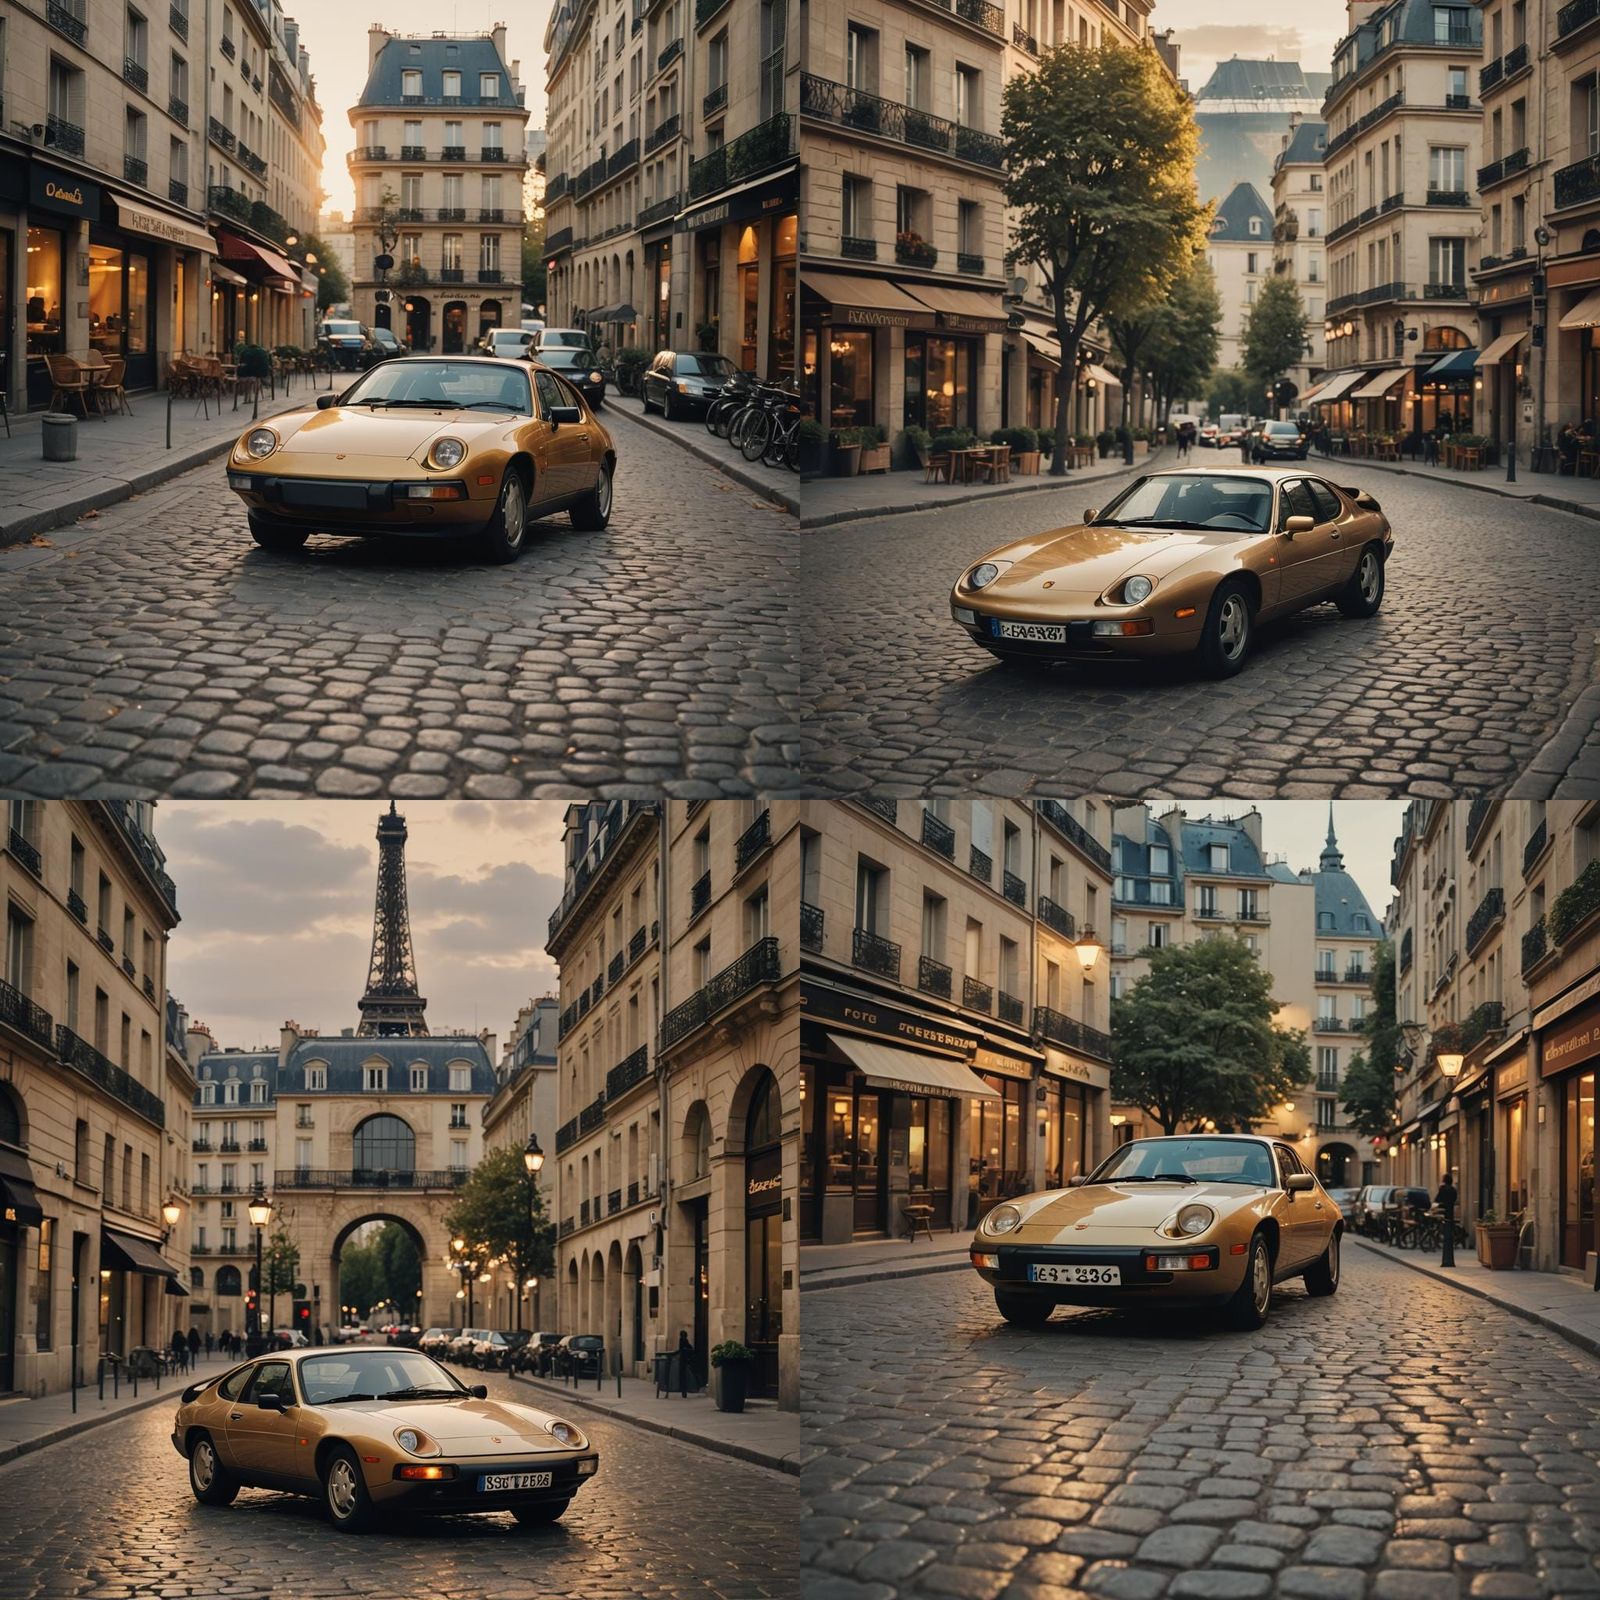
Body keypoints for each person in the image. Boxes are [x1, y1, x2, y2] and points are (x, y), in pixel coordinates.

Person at [676, 1328, 697, 1397]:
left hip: (684, 1359)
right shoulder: (682, 1340)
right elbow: (683, 1348)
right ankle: (685, 1390)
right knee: (684, 1375)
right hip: (685, 1359)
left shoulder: (683, 1340)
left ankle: (684, 1390)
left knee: (684, 1375)